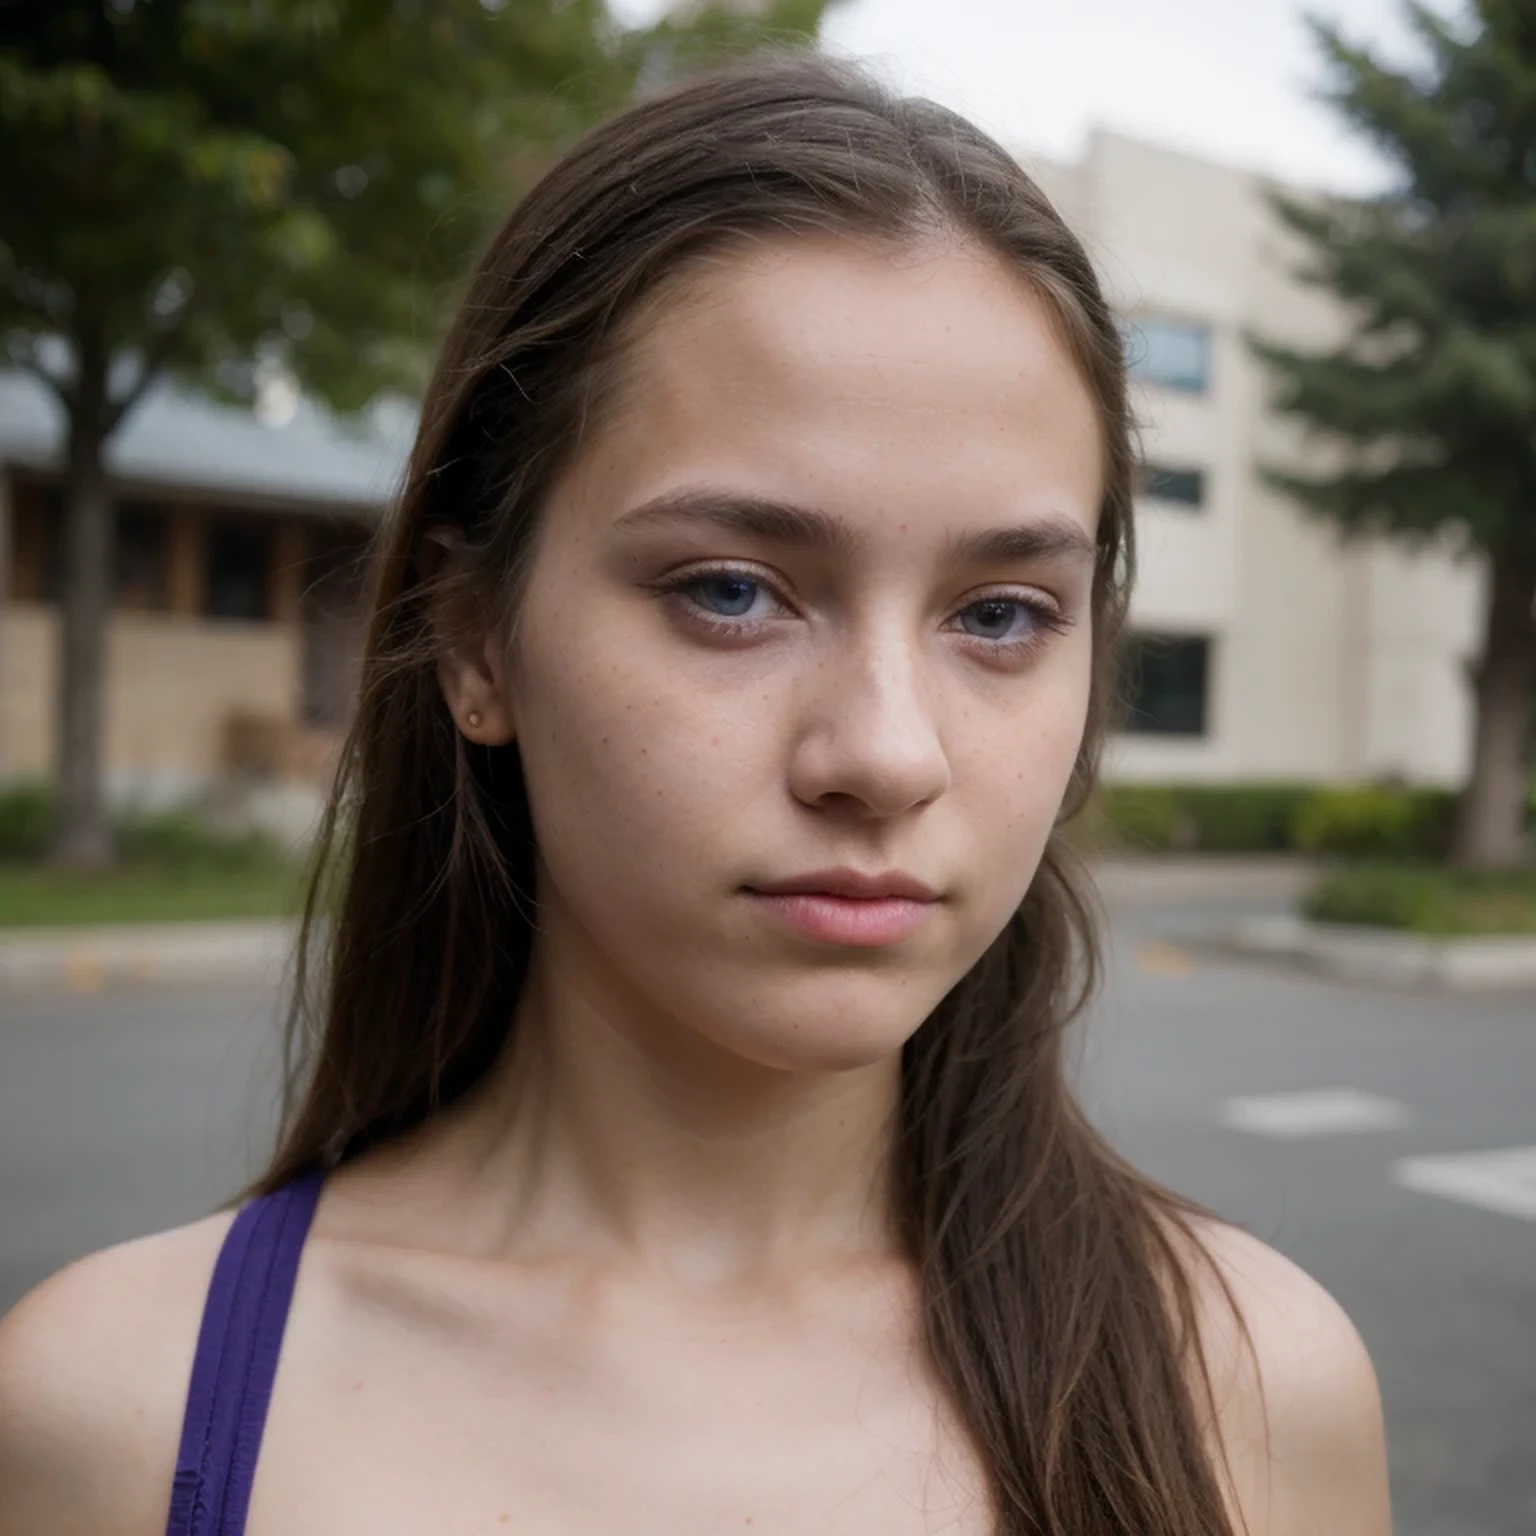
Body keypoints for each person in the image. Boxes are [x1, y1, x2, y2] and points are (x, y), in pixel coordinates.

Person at [0, 50, 1391, 1536]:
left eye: (1000, 614)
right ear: (476, 634)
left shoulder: (1248, 1387)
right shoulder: (116, 1414)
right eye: (732, 591)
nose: (885, 753)